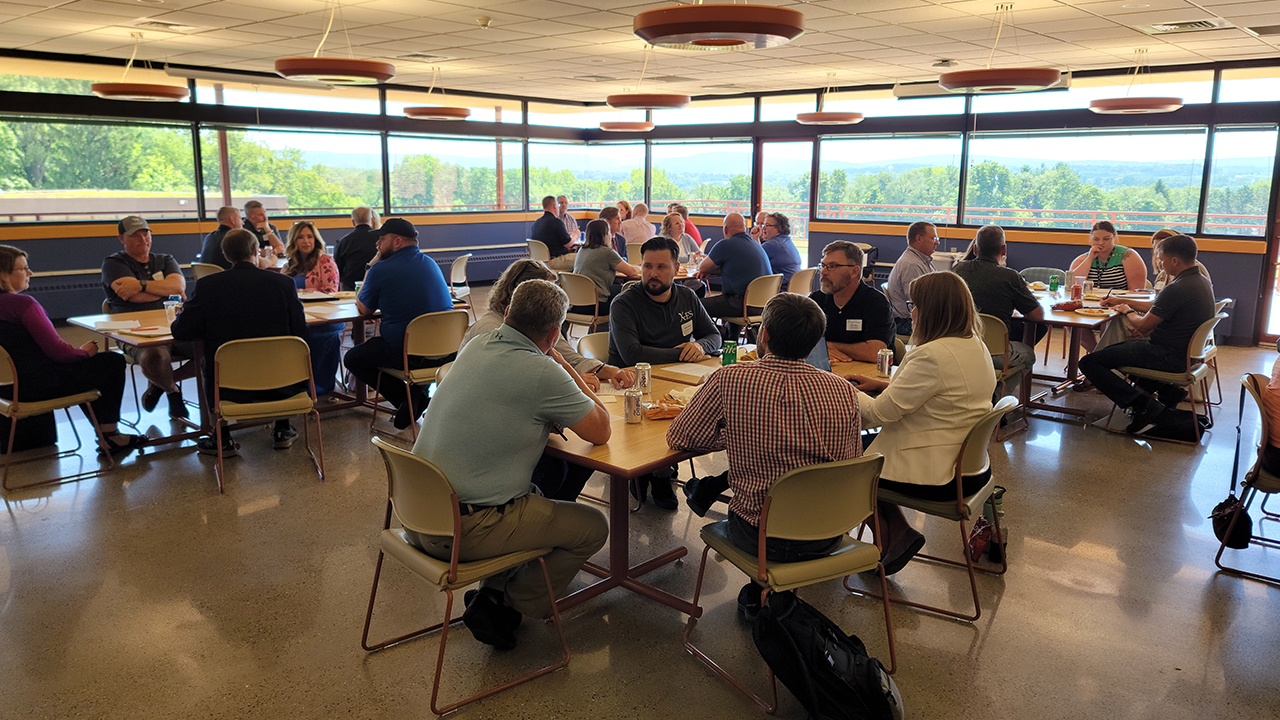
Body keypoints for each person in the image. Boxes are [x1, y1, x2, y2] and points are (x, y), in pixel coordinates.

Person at [409, 279, 611, 650]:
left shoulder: (476, 346)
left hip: (418, 516)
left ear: (506, 312)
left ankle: (493, 594)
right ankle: (509, 601)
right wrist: (561, 362)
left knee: (537, 491)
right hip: (464, 529)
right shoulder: (542, 371)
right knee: (593, 526)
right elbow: (601, 430)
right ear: (554, 334)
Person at [668, 292, 863, 619]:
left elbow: (681, 437)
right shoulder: (843, 390)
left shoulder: (730, 379)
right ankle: (767, 594)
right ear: (815, 341)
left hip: (760, 537)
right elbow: (849, 461)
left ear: (765, 335)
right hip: (829, 532)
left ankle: (762, 589)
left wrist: (733, 432)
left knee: (752, 492)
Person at [844, 272, 997, 574]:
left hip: (937, 476)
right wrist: (882, 385)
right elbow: (944, 395)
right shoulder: (974, 344)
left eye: (915, 305)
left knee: (840, 459)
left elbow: (877, 415)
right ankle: (895, 533)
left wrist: (841, 388)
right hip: (968, 468)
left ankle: (879, 537)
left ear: (932, 310)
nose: (911, 311)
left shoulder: (931, 355)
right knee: (856, 453)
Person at [171, 229, 309, 454]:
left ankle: (221, 436)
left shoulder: (209, 286)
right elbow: (300, 332)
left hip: (230, 390)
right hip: (284, 385)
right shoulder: (283, 284)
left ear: (226, 256)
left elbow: (182, 331)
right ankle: (283, 427)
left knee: (211, 360)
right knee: (284, 348)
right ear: (256, 251)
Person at [608, 236, 722, 510]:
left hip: (676, 379)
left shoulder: (687, 296)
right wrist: (682, 351)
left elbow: (714, 336)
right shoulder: (624, 303)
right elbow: (632, 354)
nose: (653, 274)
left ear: (676, 268)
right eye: (647, 266)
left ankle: (660, 473)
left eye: (661, 267)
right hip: (631, 384)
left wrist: (698, 345)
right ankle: (657, 474)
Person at [0, 246, 144, 456]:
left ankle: (106, 434)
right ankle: (111, 435)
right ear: (4, 276)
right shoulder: (22, 305)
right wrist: (84, 353)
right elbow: (59, 352)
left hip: (6, 388)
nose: (30, 273)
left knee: (85, 370)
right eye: (24, 269)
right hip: (36, 386)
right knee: (111, 361)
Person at [1085, 234, 1215, 434]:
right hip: (1186, 355)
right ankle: (1168, 392)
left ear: (1174, 260)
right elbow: (1158, 306)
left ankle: (1143, 406)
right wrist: (1124, 302)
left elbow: (1143, 326)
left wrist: (1126, 311)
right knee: (1116, 352)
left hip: (1164, 355)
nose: (1160, 264)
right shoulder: (1200, 281)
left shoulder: (1178, 288)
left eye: (1161, 259)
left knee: (1090, 362)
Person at [343, 218, 455, 430]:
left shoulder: (381, 269)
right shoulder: (431, 263)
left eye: (381, 239)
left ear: (396, 242)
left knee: (354, 358)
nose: (377, 244)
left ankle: (409, 397)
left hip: (408, 354)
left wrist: (370, 265)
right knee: (379, 347)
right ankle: (415, 397)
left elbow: (363, 309)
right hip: (447, 352)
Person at [463, 259, 635, 392]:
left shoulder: (540, 321)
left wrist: (611, 371)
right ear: (519, 294)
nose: (553, 302)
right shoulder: (489, 330)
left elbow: (573, 360)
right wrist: (571, 380)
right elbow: (510, 383)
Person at [101, 215, 196, 419]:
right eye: (135, 235)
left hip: (174, 325)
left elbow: (178, 287)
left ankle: (160, 384)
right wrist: (163, 290)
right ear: (122, 239)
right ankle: (173, 392)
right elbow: (133, 296)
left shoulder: (165, 259)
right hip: (135, 331)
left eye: (146, 234)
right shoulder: (114, 264)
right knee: (155, 357)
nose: (143, 239)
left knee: (213, 348)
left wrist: (141, 284)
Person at [953, 225, 1047, 394]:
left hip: (959, 344)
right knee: (1029, 355)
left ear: (975, 248)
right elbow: (1037, 315)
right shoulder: (1010, 276)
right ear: (1004, 250)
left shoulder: (958, 270)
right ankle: (997, 396)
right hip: (994, 351)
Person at [282, 221, 342, 395]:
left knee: (312, 335)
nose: (306, 241)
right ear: (294, 241)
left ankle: (318, 386)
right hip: (298, 316)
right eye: (301, 237)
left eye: (309, 237)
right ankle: (292, 383)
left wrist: (302, 293)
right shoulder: (289, 265)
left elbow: (331, 291)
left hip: (324, 317)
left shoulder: (325, 261)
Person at [809, 240, 894, 363]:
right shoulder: (817, 300)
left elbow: (875, 353)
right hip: (830, 373)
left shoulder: (876, 302)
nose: (823, 272)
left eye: (832, 266)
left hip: (869, 377)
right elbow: (797, 340)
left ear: (854, 271)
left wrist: (826, 347)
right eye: (823, 265)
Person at [695, 213, 772, 322]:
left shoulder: (726, 244)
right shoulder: (755, 244)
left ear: (725, 229)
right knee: (731, 298)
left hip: (740, 304)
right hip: (763, 305)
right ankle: (728, 336)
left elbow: (702, 267)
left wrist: (710, 270)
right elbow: (738, 268)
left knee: (694, 306)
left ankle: (714, 336)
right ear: (744, 228)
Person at [572, 219, 639, 310]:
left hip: (576, 303)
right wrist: (641, 267)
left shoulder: (582, 250)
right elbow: (631, 272)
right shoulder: (607, 252)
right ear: (606, 235)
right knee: (632, 293)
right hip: (597, 305)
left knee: (617, 288)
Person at [886, 221, 938, 336]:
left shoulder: (922, 260)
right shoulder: (911, 265)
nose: (937, 242)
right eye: (933, 238)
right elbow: (918, 303)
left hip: (913, 319)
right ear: (919, 239)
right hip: (907, 323)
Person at [334, 206, 381, 291]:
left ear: (353, 222)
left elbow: (336, 269)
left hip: (351, 288)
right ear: (372, 220)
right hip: (377, 285)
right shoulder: (381, 239)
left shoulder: (344, 242)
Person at [530, 195, 577, 271]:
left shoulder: (537, 223)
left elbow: (551, 244)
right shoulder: (556, 222)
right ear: (554, 206)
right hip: (552, 261)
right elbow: (568, 244)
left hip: (539, 262)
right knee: (583, 258)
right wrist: (575, 235)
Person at [758, 212, 801, 287]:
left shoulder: (772, 245)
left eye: (767, 225)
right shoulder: (786, 241)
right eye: (763, 225)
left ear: (778, 228)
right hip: (793, 288)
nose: (763, 228)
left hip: (780, 290)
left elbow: (753, 257)